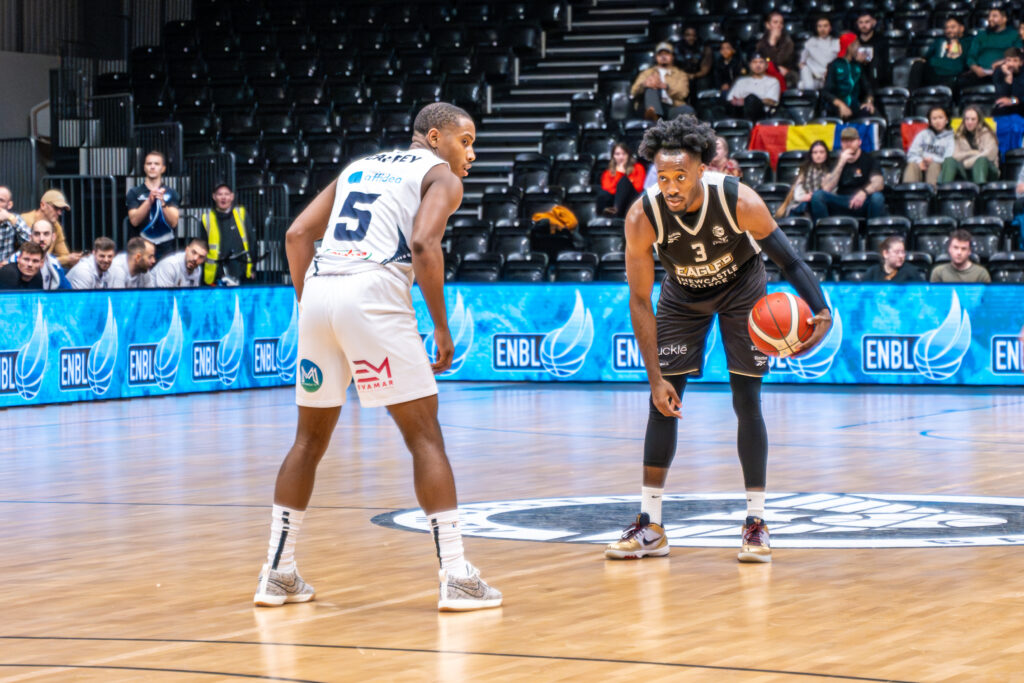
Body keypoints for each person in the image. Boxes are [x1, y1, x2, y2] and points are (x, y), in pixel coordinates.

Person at [253, 102, 501, 612]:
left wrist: (311, 304)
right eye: (466, 141)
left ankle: (277, 572)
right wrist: (440, 324)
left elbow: (297, 234)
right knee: (424, 436)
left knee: (307, 441)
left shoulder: (358, 167)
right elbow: (424, 244)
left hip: (321, 291)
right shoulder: (442, 178)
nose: (471, 153)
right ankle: (457, 575)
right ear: (435, 138)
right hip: (374, 293)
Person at [605, 115, 831, 564]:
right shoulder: (641, 217)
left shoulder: (739, 201)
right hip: (682, 296)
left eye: (680, 176)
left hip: (742, 290)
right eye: (663, 177)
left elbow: (789, 261)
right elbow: (639, 301)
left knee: (746, 398)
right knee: (663, 402)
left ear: (702, 171)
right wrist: (654, 378)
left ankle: (755, 522)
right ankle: (650, 525)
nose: (670, 186)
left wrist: (821, 309)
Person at [810, 126, 887, 221]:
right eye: (845, 141)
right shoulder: (836, 162)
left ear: (859, 142)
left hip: (863, 201)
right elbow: (827, 188)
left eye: (851, 140)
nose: (848, 144)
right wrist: (841, 163)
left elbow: (879, 183)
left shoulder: (870, 160)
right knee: (818, 196)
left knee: (877, 198)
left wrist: (864, 192)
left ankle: (874, 234)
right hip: (842, 201)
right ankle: (826, 233)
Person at [127, 150, 181, 259]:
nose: (152, 167)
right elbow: (134, 221)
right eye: (149, 163)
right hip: (142, 248)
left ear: (163, 168)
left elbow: (174, 222)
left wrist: (162, 203)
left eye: (156, 164)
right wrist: (149, 201)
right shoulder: (134, 192)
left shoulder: (171, 193)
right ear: (144, 167)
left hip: (166, 247)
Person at [201, 183, 254, 285]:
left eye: (226, 194)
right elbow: (203, 245)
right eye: (220, 194)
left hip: (240, 268)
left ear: (232, 196)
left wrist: (253, 268)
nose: (223, 197)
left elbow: (251, 240)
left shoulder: (241, 213)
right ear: (214, 197)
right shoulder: (206, 218)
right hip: (216, 271)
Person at [630, 42, 693, 122]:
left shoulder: (680, 74)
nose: (663, 56)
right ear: (656, 57)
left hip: (672, 106)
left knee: (687, 110)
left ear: (672, 56)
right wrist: (644, 85)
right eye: (660, 54)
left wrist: (666, 87)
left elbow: (683, 93)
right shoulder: (647, 73)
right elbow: (633, 92)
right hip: (649, 106)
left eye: (666, 54)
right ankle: (654, 116)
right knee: (651, 88)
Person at [960, 7, 1021, 90]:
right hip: (980, 73)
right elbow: (971, 56)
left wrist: (1001, 64)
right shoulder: (981, 35)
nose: (990, 19)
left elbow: (1018, 54)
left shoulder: (1014, 35)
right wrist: (975, 68)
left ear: (1004, 19)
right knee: (960, 85)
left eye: (994, 16)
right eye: (989, 16)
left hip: (1004, 72)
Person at [20, 189, 81, 269]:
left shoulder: (56, 226)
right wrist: (66, 259)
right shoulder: (24, 220)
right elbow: (65, 258)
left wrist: (71, 259)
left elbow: (65, 255)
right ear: (42, 205)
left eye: (61, 209)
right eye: (56, 208)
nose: (59, 213)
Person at [939, 105, 999, 184]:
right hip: (967, 172)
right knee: (949, 161)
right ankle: (944, 191)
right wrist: (972, 152)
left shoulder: (987, 133)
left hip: (988, 171)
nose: (969, 122)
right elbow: (954, 155)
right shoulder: (959, 135)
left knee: (981, 161)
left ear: (979, 120)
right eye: (967, 119)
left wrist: (967, 163)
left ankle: (980, 191)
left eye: (973, 119)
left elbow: (989, 155)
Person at [6, 219, 71, 290]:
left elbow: (67, 292)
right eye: (37, 234)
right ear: (30, 237)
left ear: (53, 237)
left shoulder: (54, 263)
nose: (41, 239)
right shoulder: (15, 260)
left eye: (46, 234)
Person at [822, 34, 876, 119]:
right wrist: (841, 105)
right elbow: (826, 92)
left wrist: (869, 102)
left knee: (869, 113)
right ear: (850, 46)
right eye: (857, 45)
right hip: (837, 108)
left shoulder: (857, 66)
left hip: (856, 106)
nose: (859, 47)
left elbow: (868, 88)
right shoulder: (834, 65)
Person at [903, 107, 954, 187]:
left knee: (934, 166)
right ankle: (910, 195)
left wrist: (932, 160)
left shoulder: (952, 137)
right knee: (912, 165)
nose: (937, 121)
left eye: (940, 118)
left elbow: (949, 159)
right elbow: (911, 154)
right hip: (922, 165)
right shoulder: (923, 134)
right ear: (930, 122)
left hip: (939, 167)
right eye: (934, 118)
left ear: (946, 120)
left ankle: (932, 195)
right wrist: (920, 161)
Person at [780, 140, 831, 217]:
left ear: (826, 154)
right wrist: (805, 197)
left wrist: (815, 196)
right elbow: (797, 194)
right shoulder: (804, 172)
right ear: (811, 155)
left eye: (821, 152)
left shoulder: (831, 172)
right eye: (815, 152)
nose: (818, 155)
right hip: (803, 203)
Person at [726, 53, 780, 121]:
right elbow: (731, 99)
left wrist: (747, 101)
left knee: (751, 99)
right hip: (739, 113)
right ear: (750, 65)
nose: (758, 65)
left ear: (766, 65)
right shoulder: (741, 81)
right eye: (754, 62)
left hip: (762, 114)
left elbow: (772, 101)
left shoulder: (773, 81)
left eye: (761, 62)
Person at [598, 142, 646, 217]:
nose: (621, 157)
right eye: (617, 154)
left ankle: (616, 212)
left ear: (628, 155)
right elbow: (607, 189)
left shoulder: (638, 168)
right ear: (613, 156)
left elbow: (638, 187)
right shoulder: (607, 173)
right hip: (614, 200)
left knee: (624, 182)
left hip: (632, 201)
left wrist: (623, 180)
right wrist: (619, 173)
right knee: (603, 194)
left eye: (624, 154)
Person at [924, 16, 971, 89]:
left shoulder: (968, 42)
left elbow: (959, 66)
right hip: (936, 76)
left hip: (958, 77)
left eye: (952, 27)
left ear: (962, 28)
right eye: (946, 28)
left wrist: (936, 62)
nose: (949, 30)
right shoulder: (939, 41)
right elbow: (927, 60)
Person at [756, 11, 797, 87]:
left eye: (781, 23)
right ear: (768, 25)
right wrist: (772, 42)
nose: (779, 25)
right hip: (766, 73)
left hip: (786, 75)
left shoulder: (788, 42)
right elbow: (762, 62)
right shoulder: (761, 44)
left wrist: (772, 42)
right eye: (775, 22)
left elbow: (780, 60)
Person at [799, 16, 840, 90]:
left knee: (801, 85)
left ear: (830, 28)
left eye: (825, 26)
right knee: (805, 72)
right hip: (815, 77)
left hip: (831, 77)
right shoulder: (810, 42)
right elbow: (802, 62)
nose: (822, 29)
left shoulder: (836, 43)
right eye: (820, 26)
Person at [855, 11, 890, 86]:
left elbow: (884, 62)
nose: (863, 25)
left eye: (867, 22)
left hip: (876, 78)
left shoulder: (881, 40)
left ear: (874, 22)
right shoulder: (854, 40)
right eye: (861, 22)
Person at [677, 27, 713, 95]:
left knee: (703, 83)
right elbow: (674, 67)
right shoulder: (677, 47)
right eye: (688, 35)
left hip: (698, 76)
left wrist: (693, 75)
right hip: (681, 75)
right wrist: (684, 75)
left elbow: (705, 69)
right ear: (684, 36)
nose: (691, 38)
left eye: (694, 35)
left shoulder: (704, 47)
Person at [0, 185, 30, 262]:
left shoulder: (14, 219)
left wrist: (11, 218)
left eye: (1, 200)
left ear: (9, 205)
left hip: (6, 268)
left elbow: (30, 243)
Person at [992, 47, 1024, 116]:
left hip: (1021, 105)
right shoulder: (999, 72)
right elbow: (1001, 95)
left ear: (1021, 63)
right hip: (1007, 106)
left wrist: (1012, 101)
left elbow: (1021, 97)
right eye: (1008, 60)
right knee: (1000, 107)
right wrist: (1008, 76)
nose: (1011, 64)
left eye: (1015, 61)